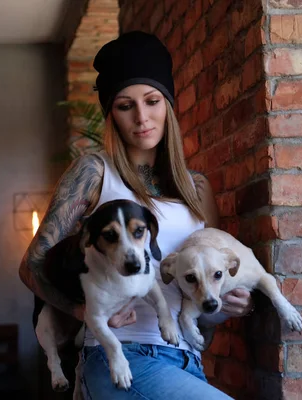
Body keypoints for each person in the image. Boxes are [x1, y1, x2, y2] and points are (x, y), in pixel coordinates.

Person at [19, 31, 253, 399]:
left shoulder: (198, 189)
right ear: (111, 113)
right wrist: (85, 314)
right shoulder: (94, 173)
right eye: (125, 105)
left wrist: (227, 305)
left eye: (152, 100)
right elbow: (32, 263)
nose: (142, 117)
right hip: (125, 357)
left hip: (187, 361)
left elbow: (201, 302)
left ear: (168, 106)